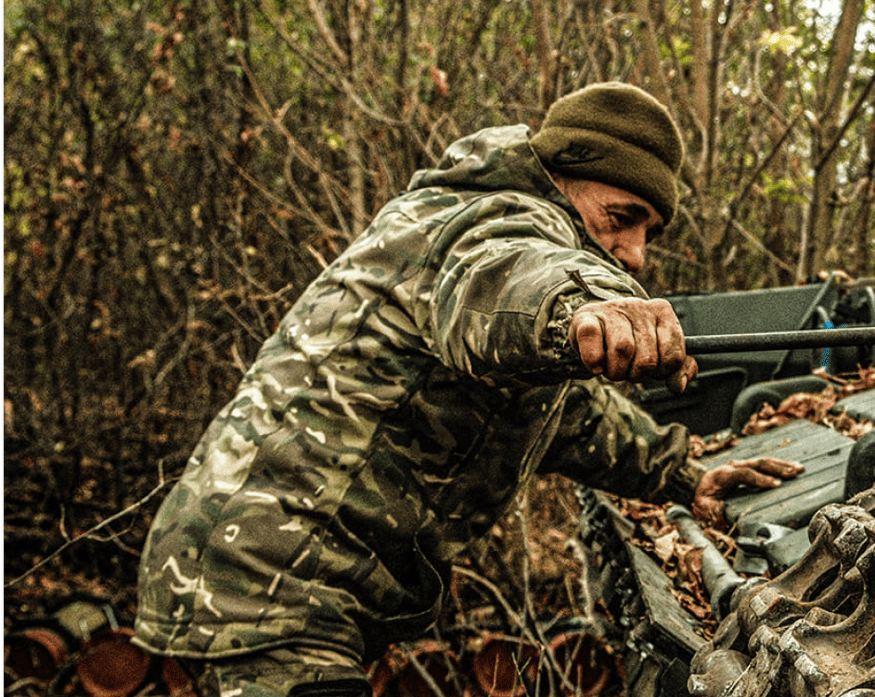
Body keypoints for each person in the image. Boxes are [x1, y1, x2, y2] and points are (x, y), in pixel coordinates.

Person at [133, 83, 803, 695]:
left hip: (295, 575)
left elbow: (574, 419)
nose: (635, 254)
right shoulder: (481, 221)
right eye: (620, 218)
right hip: (268, 576)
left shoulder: (497, 226)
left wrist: (684, 476)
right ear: (559, 180)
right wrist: (593, 304)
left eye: (648, 234)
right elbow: (507, 280)